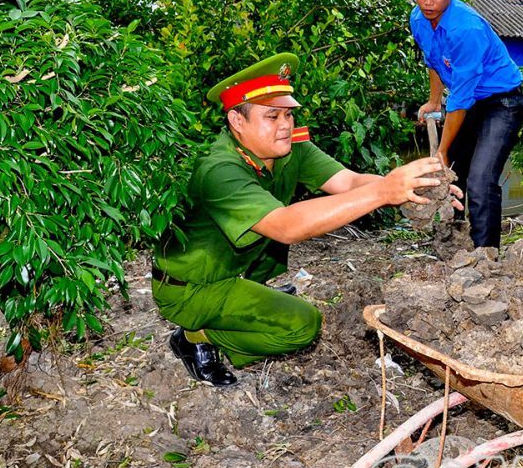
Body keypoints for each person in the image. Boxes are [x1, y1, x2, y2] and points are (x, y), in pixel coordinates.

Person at [153, 53, 458, 387]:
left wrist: (416, 192)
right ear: (237, 121)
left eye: (288, 114)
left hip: (233, 268)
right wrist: (384, 192)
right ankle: (197, 336)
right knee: (303, 325)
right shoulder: (220, 170)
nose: (286, 125)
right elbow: (286, 226)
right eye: (272, 116)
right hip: (191, 287)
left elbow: (348, 182)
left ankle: (242, 299)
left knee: (262, 250)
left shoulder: (288, 148)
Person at [409, 0, 523, 249]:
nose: (428, 1)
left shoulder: (467, 29)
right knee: (455, 176)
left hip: (502, 103)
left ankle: (486, 256)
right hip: (470, 101)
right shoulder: (419, 19)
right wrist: (434, 102)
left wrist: (443, 151)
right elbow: (434, 62)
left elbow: (460, 100)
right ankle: (454, 240)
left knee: (480, 180)